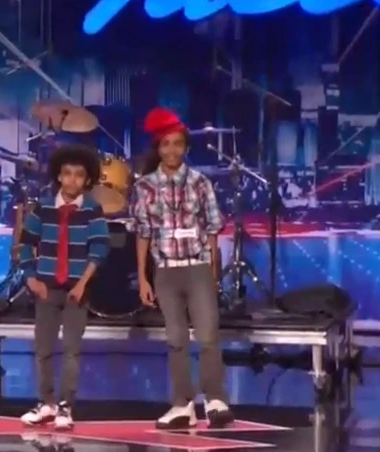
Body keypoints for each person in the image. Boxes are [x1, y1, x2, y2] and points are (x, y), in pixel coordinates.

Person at [131, 107, 233, 429]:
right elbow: (143, 234)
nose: (172, 150)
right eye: (166, 144)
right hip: (165, 271)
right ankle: (182, 404)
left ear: (186, 147)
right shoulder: (144, 188)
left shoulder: (201, 183)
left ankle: (215, 401)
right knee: (175, 339)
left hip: (198, 266)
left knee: (208, 335)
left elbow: (213, 229)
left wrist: (214, 270)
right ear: (158, 148)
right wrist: (144, 278)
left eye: (178, 144)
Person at [17, 144, 110, 429]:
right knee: (43, 349)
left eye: (78, 175)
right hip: (46, 288)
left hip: (76, 291)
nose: (72, 180)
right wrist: (31, 278)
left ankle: (65, 407)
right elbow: (25, 244)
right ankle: (45, 403)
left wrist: (82, 284)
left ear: (87, 179)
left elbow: (99, 249)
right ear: (58, 176)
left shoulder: (92, 209)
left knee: (71, 350)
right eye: (67, 173)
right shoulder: (43, 207)